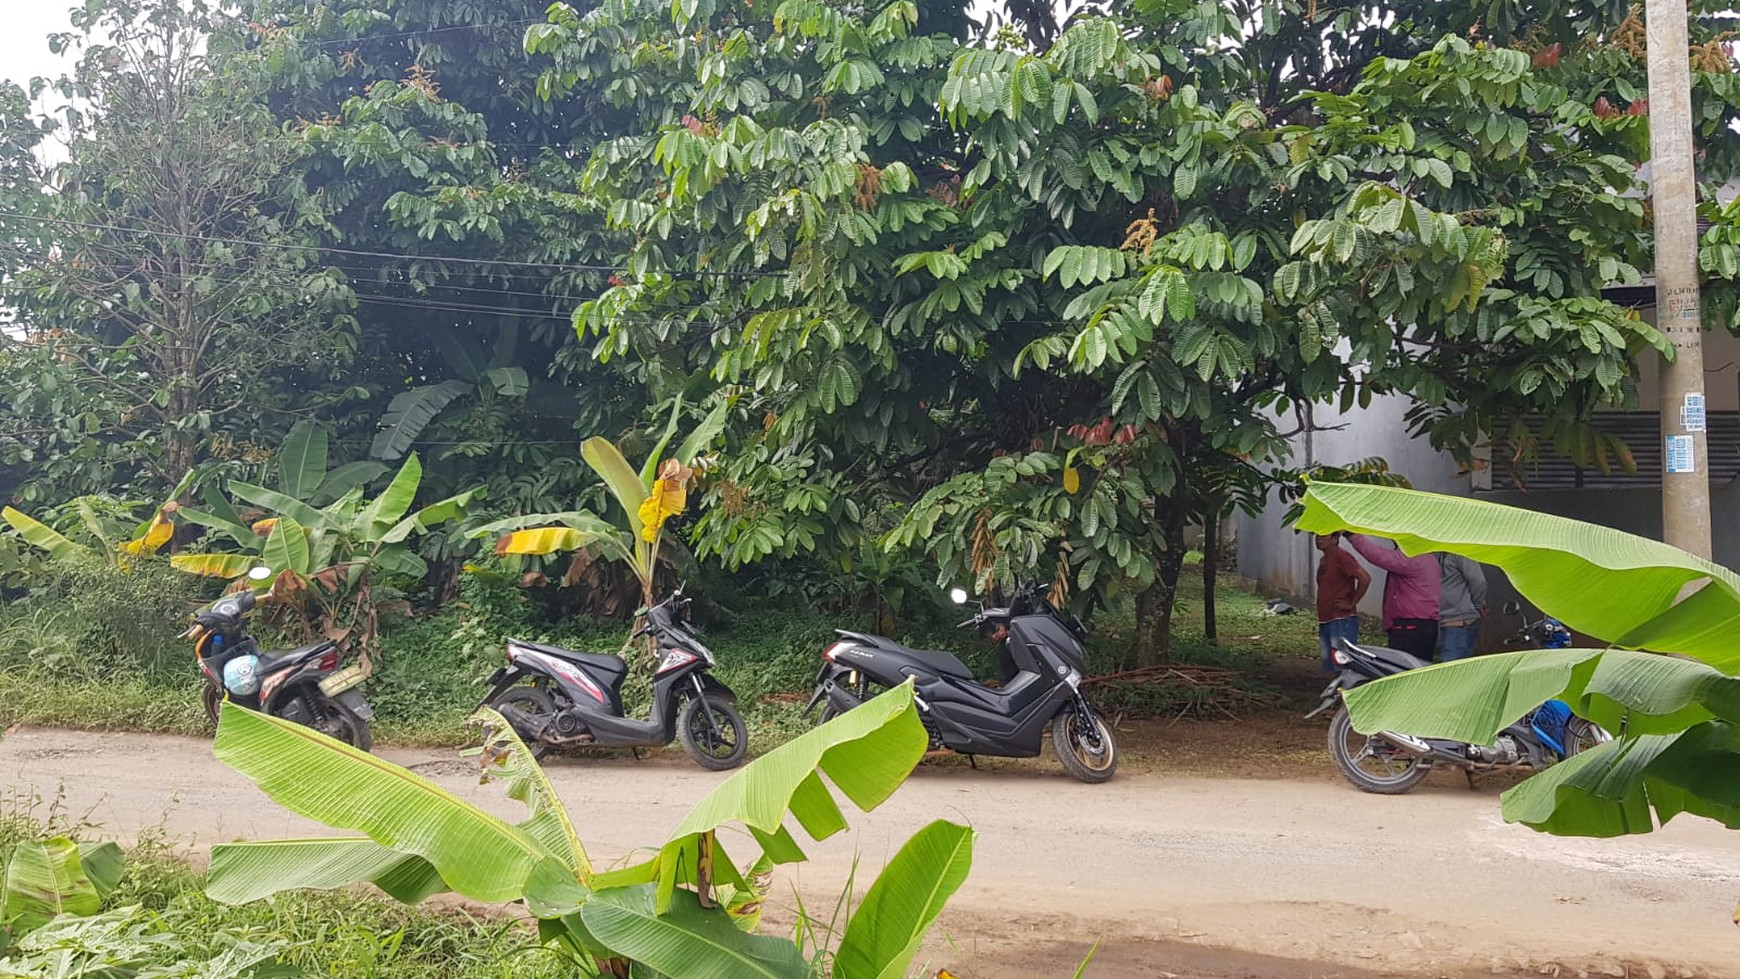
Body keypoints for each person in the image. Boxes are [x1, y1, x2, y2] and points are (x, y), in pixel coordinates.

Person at [1347, 534, 1441, 660]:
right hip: (1423, 625)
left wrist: (1352, 535)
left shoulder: (1413, 558)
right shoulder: (1429, 559)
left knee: (1404, 670)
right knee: (1420, 669)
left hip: (1410, 628)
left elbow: (1379, 556)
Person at [1314, 532, 1371, 672]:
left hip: (1340, 619)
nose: (1318, 539)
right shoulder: (1325, 559)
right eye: (1317, 536)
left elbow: (1364, 578)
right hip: (1326, 618)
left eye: (1323, 536)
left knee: (1343, 662)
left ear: (1335, 539)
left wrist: (1351, 603)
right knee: (1331, 664)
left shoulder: (1342, 556)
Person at [1436, 553, 1488, 661]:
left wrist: (1479, 605)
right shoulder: (1439, 555)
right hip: (1444, 619)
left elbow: (1479, 581)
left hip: (1459, 620)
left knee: (1451, 668)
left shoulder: (1461, 555)